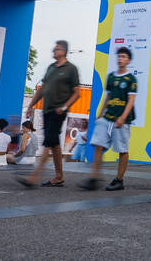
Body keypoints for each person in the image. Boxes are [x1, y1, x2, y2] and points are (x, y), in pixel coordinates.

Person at [18, 40, 80, 188]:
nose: (54, 50)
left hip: (58, 111)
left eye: (57, 49)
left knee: (48, 143)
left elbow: (77, 93)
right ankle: (59, 177)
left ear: (64, 51)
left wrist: (64, 107)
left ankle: (33, 178)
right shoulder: (51, 68)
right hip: (47, 110)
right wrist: (31, 105)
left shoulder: (71, 69)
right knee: (54, 144)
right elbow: (42, 89)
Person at [79, 46, 137, 191]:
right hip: (107, 117)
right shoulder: (111, 76)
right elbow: (108, 97)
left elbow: (131, 100)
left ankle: (119, 180)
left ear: (128, 60)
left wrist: (123, 117)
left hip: (121, 120)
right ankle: (94, 178)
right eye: (119, 56)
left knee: (122, 150)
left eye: (123, 57)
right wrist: (100, 114)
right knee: (98, 145)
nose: (120, 59)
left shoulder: (131, 79)